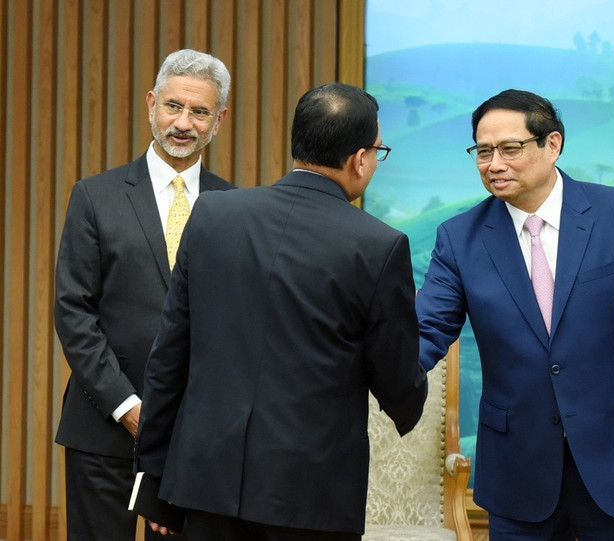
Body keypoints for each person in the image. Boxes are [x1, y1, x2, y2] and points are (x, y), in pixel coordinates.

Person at [134, 82, 428, 541]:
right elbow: (397, 380)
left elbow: (168, 355)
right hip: (310, 496)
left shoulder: (212, 215)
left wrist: (153, 479)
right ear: (359, 159)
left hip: (204, 485)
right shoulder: (378, 246)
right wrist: (410, 396)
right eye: (377, 151)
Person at [416, 89, 614, 540]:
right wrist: (367, 366)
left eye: (510, 148)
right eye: (483, 152)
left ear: (553, 144)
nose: (494, 164)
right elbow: (425, 331)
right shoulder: (459, 238)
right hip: (518, 472)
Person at [54, 48, 235, 541]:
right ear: (152, 103)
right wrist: (127, 406)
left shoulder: (237, 207)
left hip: (192, 438)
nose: (184, 123)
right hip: (103, 423)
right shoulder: (96, 196)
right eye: (174, 106)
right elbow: (73, 312)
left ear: (219, 120)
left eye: (200, 111)